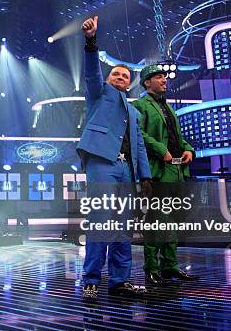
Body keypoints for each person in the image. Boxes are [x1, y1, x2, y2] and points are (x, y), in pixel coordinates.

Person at [77, 16, 152, 299]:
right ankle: (91, 280)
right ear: (109, 79)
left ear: (130, 83)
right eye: (116, 75)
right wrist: (91, 41)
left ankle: (120, 281)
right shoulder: (100, 94)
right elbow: (92, 73)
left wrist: (145, 176)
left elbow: (141, 146)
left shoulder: (134, 112)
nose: (120, 78)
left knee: (122, 226)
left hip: (126, 169)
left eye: (124, 76)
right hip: (102, 162)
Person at [132, 65, 200, 284]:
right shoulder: (141, 106)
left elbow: (177, 138)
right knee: (157, 220)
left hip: (177, 170)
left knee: (173, 220)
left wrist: (188, 148)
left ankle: (170, 266)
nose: (164, 80)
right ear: (146, 82)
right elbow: (138, 134)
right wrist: (162, 151)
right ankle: (152, 267)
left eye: (165, 77)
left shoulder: (168, 108)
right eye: (159, 77)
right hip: (159, 170)